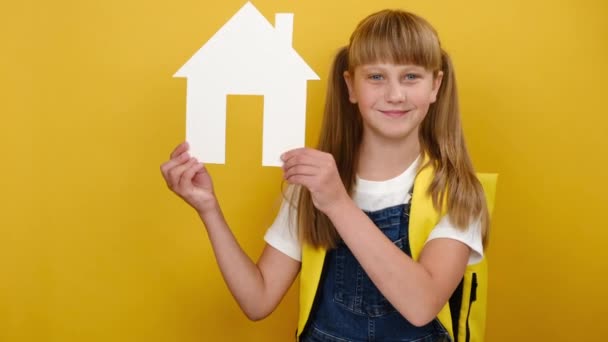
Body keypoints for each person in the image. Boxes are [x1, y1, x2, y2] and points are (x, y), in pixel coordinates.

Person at [161, 8, 495, 342]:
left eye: (411, 76)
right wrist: (209, 209)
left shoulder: (457, 192)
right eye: (376, 77)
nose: (395, 94)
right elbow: (257, 299)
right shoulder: (311, 187)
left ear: (436, 85)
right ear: (351, 86)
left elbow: (422, 305)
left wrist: (336, 202)